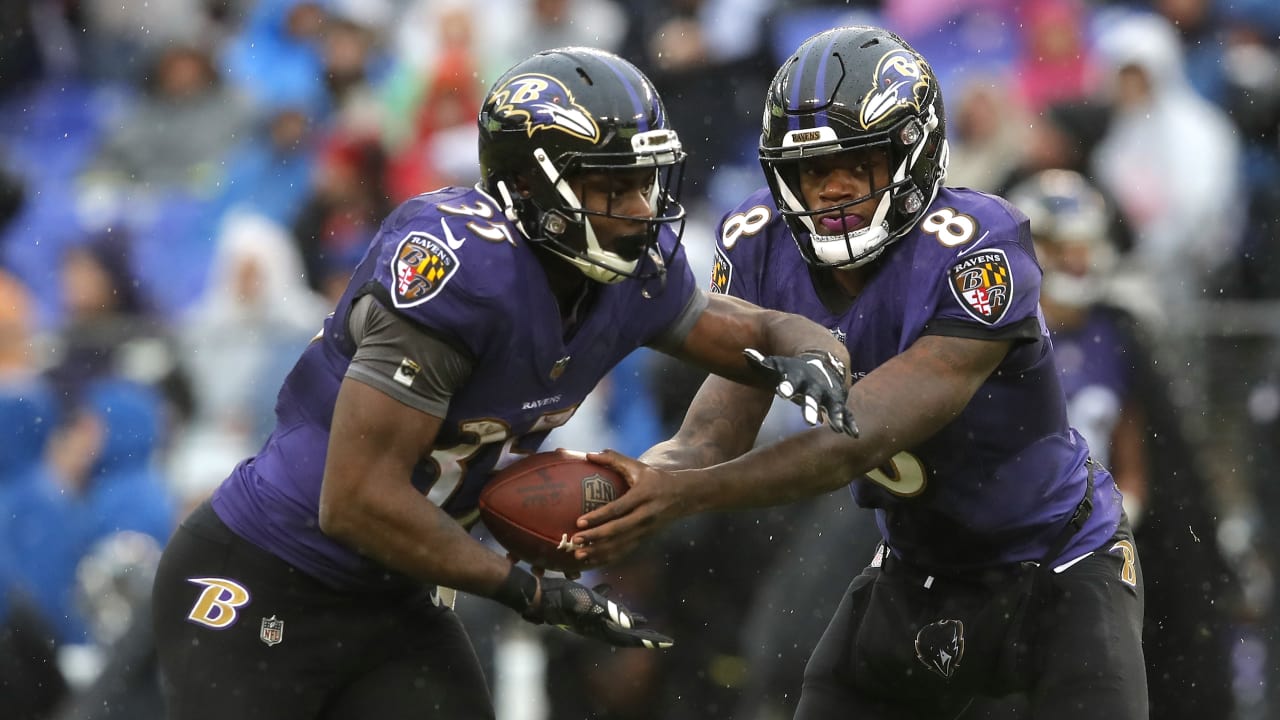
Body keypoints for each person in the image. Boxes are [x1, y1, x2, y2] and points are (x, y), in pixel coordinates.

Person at [150, 46, 854, 720]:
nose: (641, 209)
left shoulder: (630, 273)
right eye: (611, 186)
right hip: (267, 572)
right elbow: (357, 500)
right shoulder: (460, 268)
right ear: (527, 184)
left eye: (644, 182)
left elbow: (755, 334)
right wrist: (528, 589)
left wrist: (818, 351)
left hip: (394, 590)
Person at [572, 26, 1148, 719]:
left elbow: (854, 441)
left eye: (860, 162)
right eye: (813, 170)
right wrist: (633, 492)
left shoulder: (977, 245)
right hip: (918, 569)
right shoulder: (758, 242)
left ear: (913, 153)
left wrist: (684, 494)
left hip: (1057, 562)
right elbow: (712, 433)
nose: (835, 189)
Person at [1007, 169, 1235, 720]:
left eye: (1082, 245)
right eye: (1059, 246)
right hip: (1011, 542)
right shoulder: (994, 335)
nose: (1074, 261)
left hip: (1098, 541)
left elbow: (1143, 451)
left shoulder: (1118, 334)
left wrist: (1115, 515)